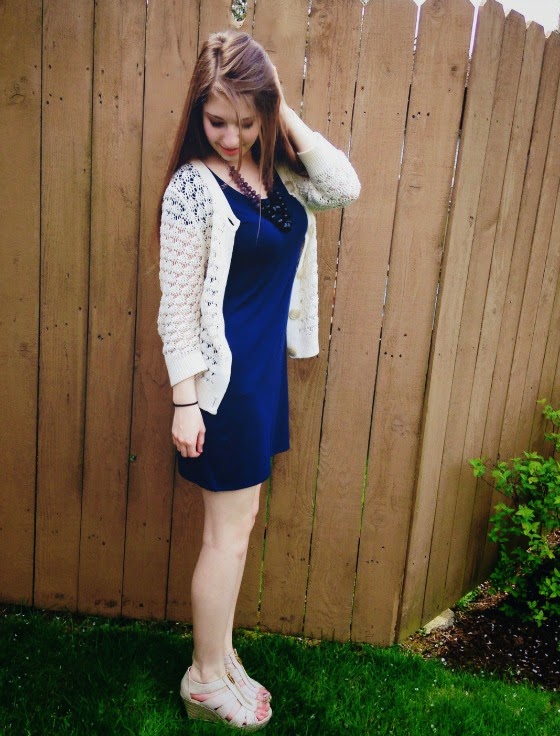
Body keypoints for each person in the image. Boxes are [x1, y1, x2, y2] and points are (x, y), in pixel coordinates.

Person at [157, 29, 360, 729]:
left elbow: (343, 186)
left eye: (247, 122)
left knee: (238, 528)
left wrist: (276, 107)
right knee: (227, 535)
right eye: (218, 121)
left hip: (262, 378)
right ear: (197, 113)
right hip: (224, 388)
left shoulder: (274, 172)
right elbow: (177, 307)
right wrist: (185, 402)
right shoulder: (192, 187)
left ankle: (221, 656)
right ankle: (203, 676)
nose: (231, 137)